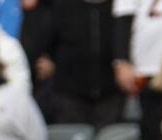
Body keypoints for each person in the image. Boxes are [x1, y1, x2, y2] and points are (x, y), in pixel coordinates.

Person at [20, 0, 124, 128]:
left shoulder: (120, 6)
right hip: (69, 95)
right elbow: (42, 44)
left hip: (112, 93)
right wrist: (49, 62)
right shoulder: (60, 5)